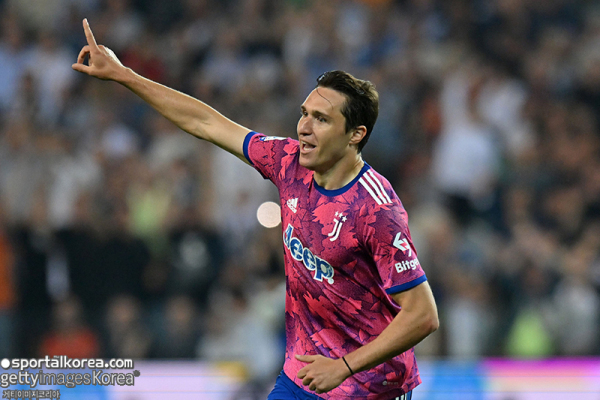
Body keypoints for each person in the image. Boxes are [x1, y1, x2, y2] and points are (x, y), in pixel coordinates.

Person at [72, 18, 439, 400]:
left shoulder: (376, 209)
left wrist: (344, 366)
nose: (304, 127)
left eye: (322, 119)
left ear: (355, 135)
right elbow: (206, 122)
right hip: (304, 376)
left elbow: (423, 315)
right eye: (305, 113)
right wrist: (124, 75)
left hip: (371, 387)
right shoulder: (288, 162)